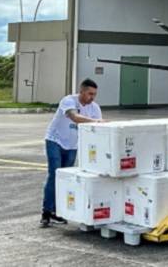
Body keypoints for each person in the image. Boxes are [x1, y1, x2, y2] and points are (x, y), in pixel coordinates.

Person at [41, 78, 103, 227]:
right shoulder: (68, 101)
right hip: (55, 140)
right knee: (55, 173)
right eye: (89, 94)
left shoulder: (94, 108)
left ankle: (58, 211)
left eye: (94, 94)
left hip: (72, 145)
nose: (92, 97)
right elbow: (74, 117)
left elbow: (97, 130)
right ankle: (46, 211)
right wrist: (96, 122)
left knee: (65, 178)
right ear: (81, 91)